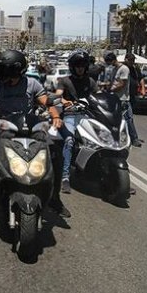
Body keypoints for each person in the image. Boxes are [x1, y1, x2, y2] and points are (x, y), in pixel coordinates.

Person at [0, 50, 63, 181]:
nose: (0, 73)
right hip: (4, 126)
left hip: (29, 126)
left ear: (15, 70)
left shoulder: (32, 83)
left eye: (4, 70)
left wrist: (56, 117)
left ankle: (54, 194)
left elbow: (46, 101)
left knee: (53, 153)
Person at [52, 52, 99, 216]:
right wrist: (66, 102)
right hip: (70, 115)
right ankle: (65, 177)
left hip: (87, 116)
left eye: (83, 65)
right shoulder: (64, 80)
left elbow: (98, 97)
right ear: (73, 66)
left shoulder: (91, 81)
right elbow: (58, 96)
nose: (80, 68)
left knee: (102, 140)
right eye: (77, 65)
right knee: (69, 140)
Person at [103, 52, 142, 147]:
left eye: (109, 61)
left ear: (113, 60)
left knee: (128, 119)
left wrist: (110, 89)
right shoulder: (114, 69)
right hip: (114, 98)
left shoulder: (124, 69)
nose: (109, 64)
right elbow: (112, 82)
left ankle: (134, 139)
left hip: (123, 99)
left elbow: (122, 84)